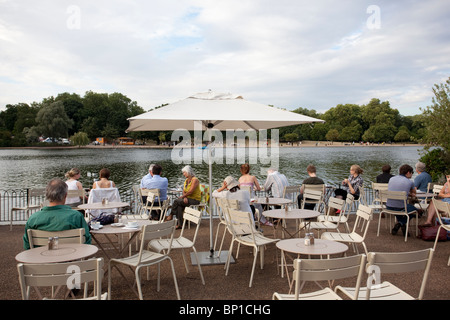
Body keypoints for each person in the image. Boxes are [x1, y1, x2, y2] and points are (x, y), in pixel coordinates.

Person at [23, 178, 91, 250]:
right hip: (70, 257)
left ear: (47, 195)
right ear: (65, 195)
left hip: (42, 259)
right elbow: (86, 241)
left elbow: (27, 246)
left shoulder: (33, 219)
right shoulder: (76, 216)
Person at [386, 164, 417, 236]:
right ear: (408, 172)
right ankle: (401, 223)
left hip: (389, 206)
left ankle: (401, 224)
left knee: (400, 208)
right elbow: (414, 193)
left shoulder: (391, 179)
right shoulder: (410, 182)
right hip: (400, 207)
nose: (412, 174)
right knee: (414, 210)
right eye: (412, 172)